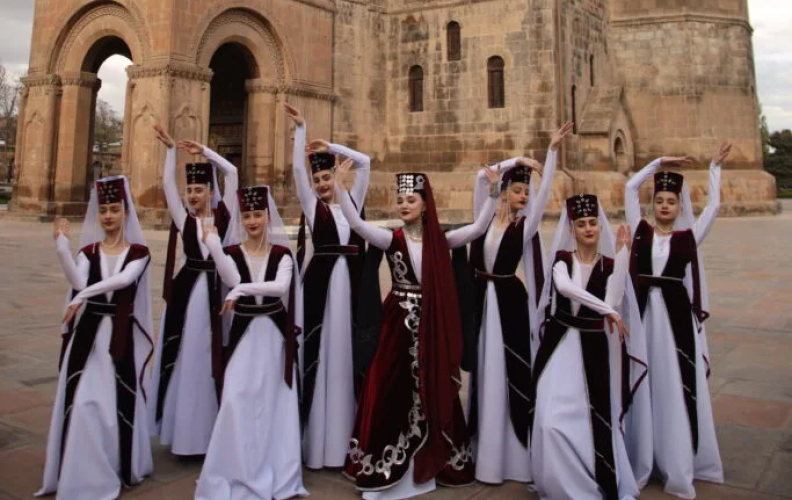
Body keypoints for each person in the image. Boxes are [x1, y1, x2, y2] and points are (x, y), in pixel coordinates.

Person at [338, 159, 500, 499]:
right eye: (400, 201)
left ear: (425, 203)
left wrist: (494, 192)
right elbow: (355, 222)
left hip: (432, 322)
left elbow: (478, 227)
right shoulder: (389, 239)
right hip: (397, 320)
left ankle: (436, 460)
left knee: (435, 383)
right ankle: (388, 463)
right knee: (386, 383)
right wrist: (342, 187)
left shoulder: (442, 240)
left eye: (410, 200)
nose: (403, 205)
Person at [465, 122, 572, 485]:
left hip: (509, 302)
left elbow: (543, 199)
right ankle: (483, 450)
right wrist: (518, 159)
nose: (524, 196)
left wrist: (551, 153)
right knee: (483, 369)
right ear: (505, 191)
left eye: (526, 191)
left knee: (510, 372)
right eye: (518, 189)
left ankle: (513, 453)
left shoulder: (523, 228)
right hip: (483, 302)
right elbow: (483, 178)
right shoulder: (483, 219)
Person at [624, 144, 732, 498]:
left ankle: (676, 460)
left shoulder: (688, 238)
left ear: (680, 205)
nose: (665, 206)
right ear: (653, 205)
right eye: (659, 200)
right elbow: (629, 188)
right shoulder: (640, 231)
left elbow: (713, 208)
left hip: (673, 324)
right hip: (643, 319)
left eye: (671, 201)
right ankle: (642, 459)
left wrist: (713, 168)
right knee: (642, 382)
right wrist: (657, 163)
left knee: (672, 383)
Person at [37, 176, 154, 499]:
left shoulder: (139, 252)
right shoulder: (88, 251)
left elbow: (122, 281)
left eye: (114, 209)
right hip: (88, 336)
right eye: (103, 210)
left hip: (117, 336)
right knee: (85, 400)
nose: (108, 216)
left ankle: (114, 465)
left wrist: (82, 295)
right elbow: (77, 279)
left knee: (112, 403)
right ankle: (80, 469)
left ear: (126, 213)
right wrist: (62, 248)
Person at [194, 184, 308, 500]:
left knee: (274, 402)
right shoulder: (232, 254)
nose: (253, 221)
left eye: (258, 214)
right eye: (247, 215)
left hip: (273, 337)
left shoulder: (283, 255)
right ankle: (235, 468)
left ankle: (277, 468)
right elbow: (232, 277)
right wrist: (214, 244)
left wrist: (240, 292)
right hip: (244, 337)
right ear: (241, 220)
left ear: (267, 216)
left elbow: (280, 286)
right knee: (236, 397)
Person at [531, 194, 641, 500]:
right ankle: (558, 485)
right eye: (582, 224)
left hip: (592, 350)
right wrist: (608, 312)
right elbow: (565, 288)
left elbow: (614, 298)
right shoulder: (562, 261)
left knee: (590, 419)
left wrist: (622, 256)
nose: (589, 228)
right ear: (572, 229)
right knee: (550, 422)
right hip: (560, 348)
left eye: (593, 222)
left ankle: (592, 482)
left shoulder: (608, 264)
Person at [284, 103, 371, 469]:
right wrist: (302, 131)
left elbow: (365, 162)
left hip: (348, 284)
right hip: (319, 283)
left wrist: (334, 149)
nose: (321, 185)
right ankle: (315, 439)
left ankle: (346, 433)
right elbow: (296, 173)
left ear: (336, 177)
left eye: (326, 179)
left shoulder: (352, 202)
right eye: (318, 180)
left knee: (346, 350)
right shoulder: (311, 207)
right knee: (318, 350)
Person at [149, 125, 238, 457]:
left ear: (211, 192)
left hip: (217, 287)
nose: (193, 195)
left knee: (214, 351)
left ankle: (213, 425)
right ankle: (184, 430)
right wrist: (171, 150)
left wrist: (205, 151)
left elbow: (232, 172)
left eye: (199, 189)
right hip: (188, 289)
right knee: (186, 352)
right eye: (191, 190)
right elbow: (167, 186)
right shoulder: (184, 218)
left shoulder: (225, 215)